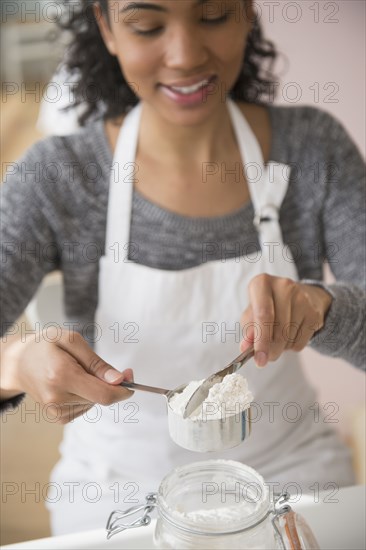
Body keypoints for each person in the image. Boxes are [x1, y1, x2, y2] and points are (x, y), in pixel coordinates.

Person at [1, 0, 365, 536]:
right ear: (106, 27)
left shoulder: (313, 147)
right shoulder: (56, 176)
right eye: (147, 26)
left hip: (289, 479)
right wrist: (15, 363)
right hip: (114, 494)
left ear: (247, 13)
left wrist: (324, 308)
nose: (185, 55)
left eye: (213, 16)